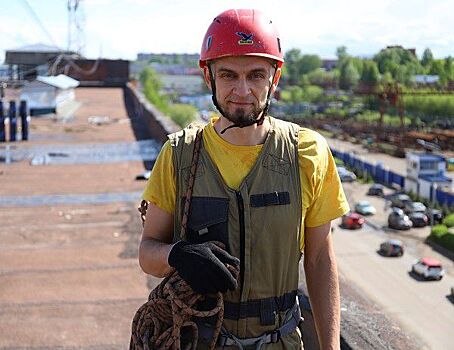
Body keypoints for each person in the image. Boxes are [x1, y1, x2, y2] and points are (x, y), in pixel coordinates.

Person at [139, 8, 349, 349]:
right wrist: (178, 255)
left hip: (280, 340)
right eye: (227, 75)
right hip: (200, 339)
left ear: (275, 78)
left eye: (255, 75)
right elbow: (147, 252)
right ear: (208, 77)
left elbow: (320, 259)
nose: (241, 89)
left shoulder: (306, 153)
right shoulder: (179, 155)